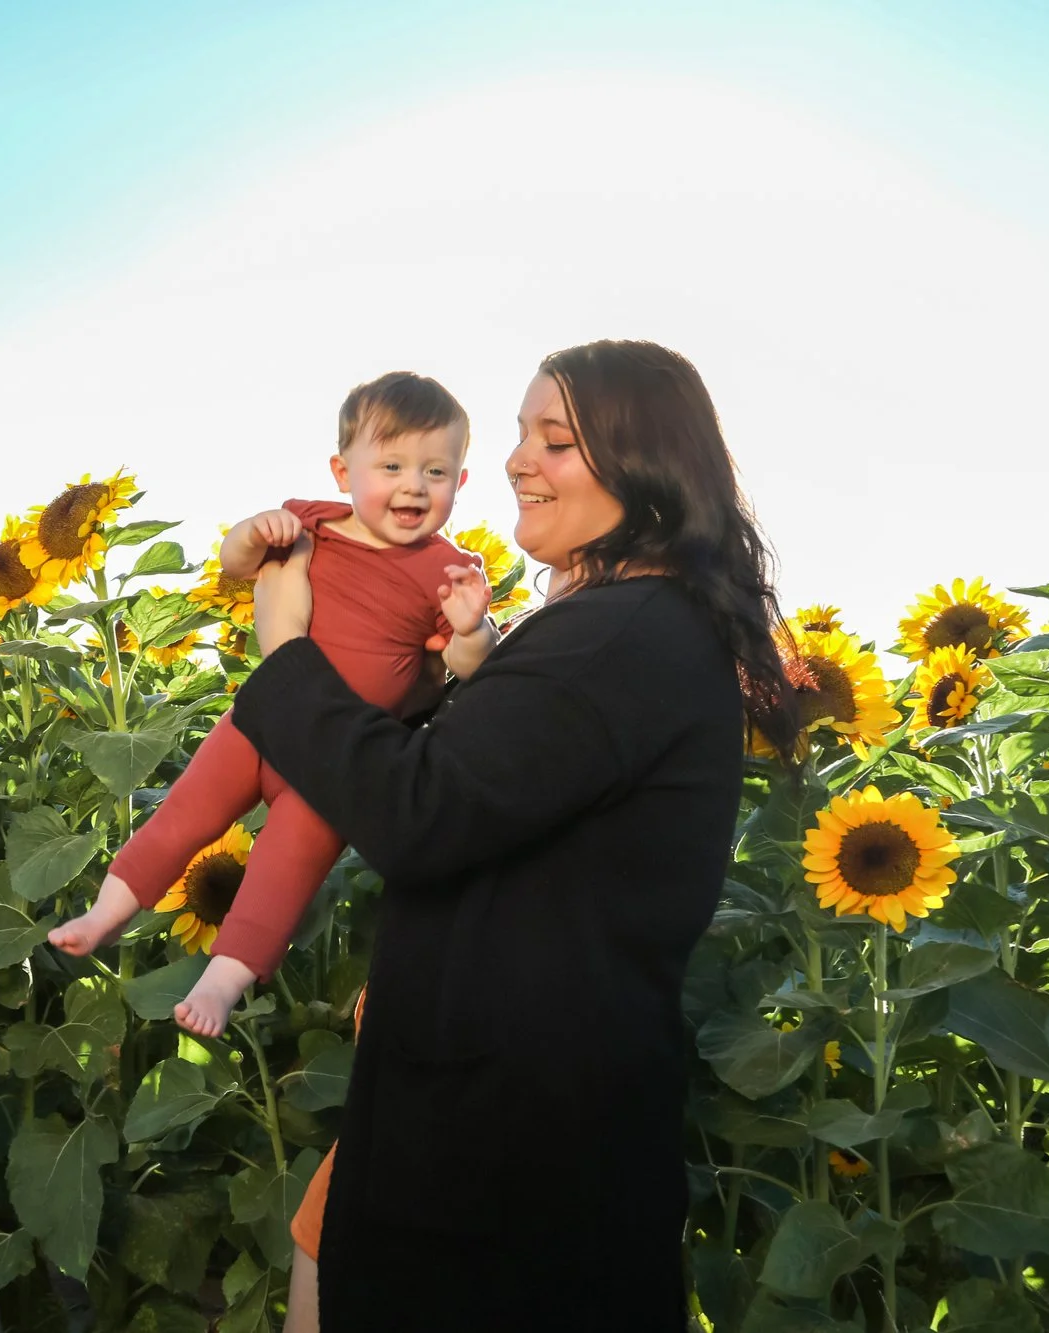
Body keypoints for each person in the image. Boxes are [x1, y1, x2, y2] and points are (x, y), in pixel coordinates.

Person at [242, 341, 799, 1330]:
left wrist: (286, 650)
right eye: (517, 434)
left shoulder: (620, 635)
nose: (513, 460)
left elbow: (418, 812)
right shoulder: (622, 629)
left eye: (556, 439)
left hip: (504, 1158)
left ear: (645, 471)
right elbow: (499, 800)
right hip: (512, 1130)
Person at [50, 371, 500, 1034]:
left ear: (460, 482)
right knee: (181, 817)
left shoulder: (450, 570)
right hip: (258, 724)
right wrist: (251, 532)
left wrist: (473, 628)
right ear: (343, 470)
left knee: (282, 872)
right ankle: (105, 912)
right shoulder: (308, 523)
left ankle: (222, 983)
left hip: (339, 757)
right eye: (393, 465)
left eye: (435, 471)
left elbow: (464, 666)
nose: (413, 485)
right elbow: (236, 563)